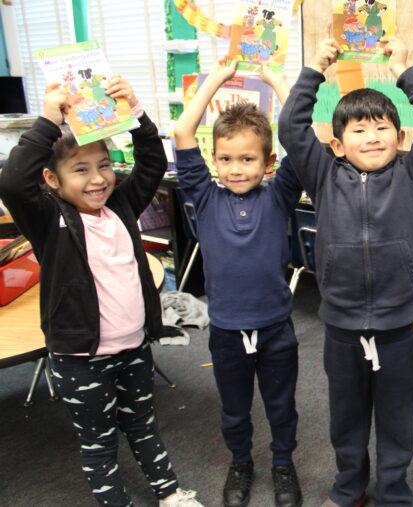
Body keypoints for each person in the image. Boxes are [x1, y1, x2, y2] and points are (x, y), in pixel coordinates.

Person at [0, 78, 202, 506]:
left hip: (133, 348)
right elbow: (14, 183)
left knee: (144, 425)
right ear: (52, 180)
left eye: (104, 165)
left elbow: (150, 165)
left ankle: (170, 494)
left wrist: (136, 113)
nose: (98, 179)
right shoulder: (47, 218)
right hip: (80, 357)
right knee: (98, 441)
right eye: (81, 169)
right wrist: (49, 120)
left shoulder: (121, 206)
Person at [278, 34, 413, 507]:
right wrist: (315, 68)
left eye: (381, 128)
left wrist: (404, 70)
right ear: (337, 145)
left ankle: (394, 492)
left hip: (398, 327)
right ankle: (349, 487)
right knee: (346, 419)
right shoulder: (322, 175)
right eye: (358, 130)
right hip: (340, 327)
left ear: (399, 138)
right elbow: (292, 126)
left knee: (398, 419)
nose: (372, 136)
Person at [173, 60, 302, 507]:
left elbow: (299, 140)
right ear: (214, 160)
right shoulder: (205, 197)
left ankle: (283, 464)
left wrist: (279, 83)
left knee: (282, 406)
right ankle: (241, 461)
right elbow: (183, 133)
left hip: (275, 327)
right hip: (226, 329)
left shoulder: (280, 194)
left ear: (267, 162)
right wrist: (214, 81)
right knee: (233, 409)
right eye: (225, 159)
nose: (235, 168)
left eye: (247, 159)